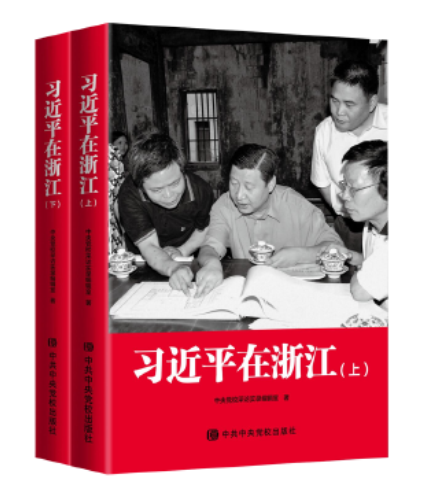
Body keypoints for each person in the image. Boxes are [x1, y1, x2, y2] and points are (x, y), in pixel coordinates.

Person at [170, 144, 342, 297]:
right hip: (248, 293)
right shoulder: (225, 205)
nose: (239, 195)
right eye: (234, 183)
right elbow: (210, 247)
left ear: (270, 184)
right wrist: (212, 263)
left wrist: (298, 255)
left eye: (249, 187)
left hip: (297, 293)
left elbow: (336, 248)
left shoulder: (296, 206)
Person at [311, 60, 387, 251]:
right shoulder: (324, 132)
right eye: (334, 101)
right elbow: (322, 183)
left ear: (372, 103)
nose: (339, 112)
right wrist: (349, 207)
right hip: (349, 226)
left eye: (349, 104)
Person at [118, 133, 214, 283]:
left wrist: (182, 251)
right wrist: (173, 268)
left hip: (185, 255)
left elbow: (203, 229)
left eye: (175, 183)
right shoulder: (129, 194)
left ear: (182, 171)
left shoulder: (201, 190)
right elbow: (149, 246)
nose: (169, 196)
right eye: (157, 190)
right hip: (142, 262)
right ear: (140, 186)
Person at [318, 140, 388, 308]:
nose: (344, 196)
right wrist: (353, 257)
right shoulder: (371, 225)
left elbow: (361, 291)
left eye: (354, 188)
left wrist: (362, 275)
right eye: (344, 186)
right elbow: (379, 264)